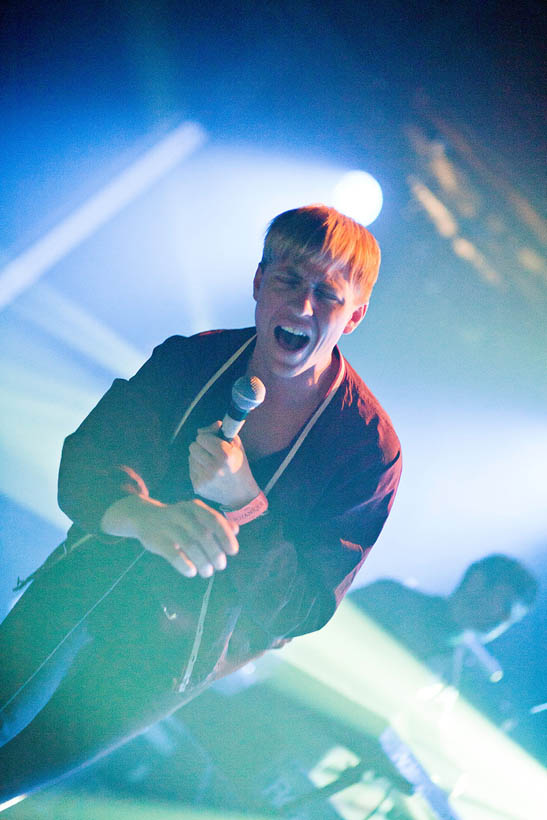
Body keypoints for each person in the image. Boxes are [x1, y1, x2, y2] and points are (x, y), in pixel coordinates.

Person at [0, 205, 402, 802]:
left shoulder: (367, 451)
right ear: (259, 284)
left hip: (170, 654)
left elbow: (303, 608)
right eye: (289, 281)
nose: (302, 306)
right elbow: (86, 460)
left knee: (15, 778)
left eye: (327, 294)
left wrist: (243, 501)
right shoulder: (190, 358)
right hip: (83, 582)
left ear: (355, 316)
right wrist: (146, 518)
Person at [349, 554, 538, 678]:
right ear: (476, 581)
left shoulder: (460, 673)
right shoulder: (389, 597)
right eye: (505, 606)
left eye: (512, 620)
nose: (503, 621)